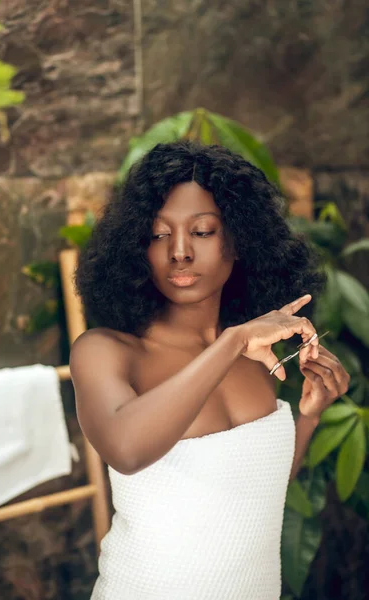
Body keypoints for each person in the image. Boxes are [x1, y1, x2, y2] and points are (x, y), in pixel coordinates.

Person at [70, 141, 350, 600]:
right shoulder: (107, 351)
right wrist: (233, 341)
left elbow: (252, 491)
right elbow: (126, 449)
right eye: (159, 234)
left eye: (202, 231)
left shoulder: (255, 358)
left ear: (239, 241)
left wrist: (310, 417)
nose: (179, 251)